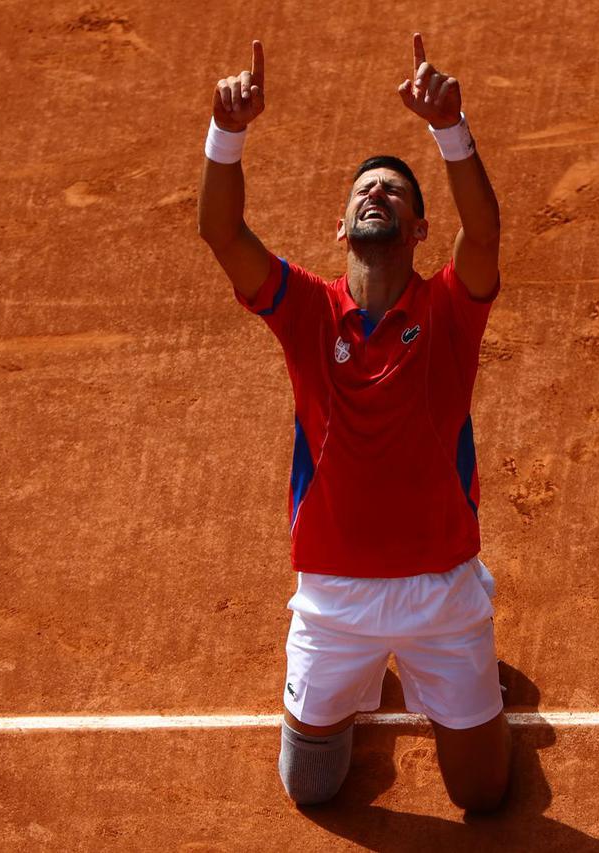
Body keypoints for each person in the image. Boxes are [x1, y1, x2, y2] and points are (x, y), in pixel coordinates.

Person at [198, 34, 509, 812]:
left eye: (396, 192)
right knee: (312, 787)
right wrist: (226, 133)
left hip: (441, 589)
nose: (378, 194)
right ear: (341, 229)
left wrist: (449, 128)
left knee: (485, 797)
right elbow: (222, 235)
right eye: (365, 189)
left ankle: (434, 680)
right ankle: (361, 683)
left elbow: (487, 232)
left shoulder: (447, 309)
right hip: (334, 593)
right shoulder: (306, 308)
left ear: (419, 229)